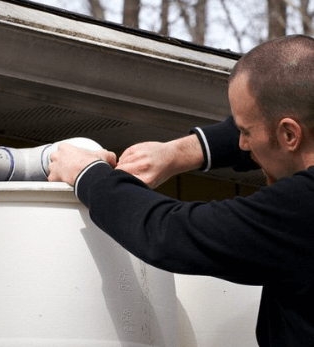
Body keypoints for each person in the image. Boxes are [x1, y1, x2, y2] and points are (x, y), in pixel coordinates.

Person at [48, 34, 314, 346]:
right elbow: (281, 118)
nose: (241, 144)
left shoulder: (300, 208)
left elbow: (169, 232)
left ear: (289, 134)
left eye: (245, 132)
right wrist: (179, 153)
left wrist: (88, 175)